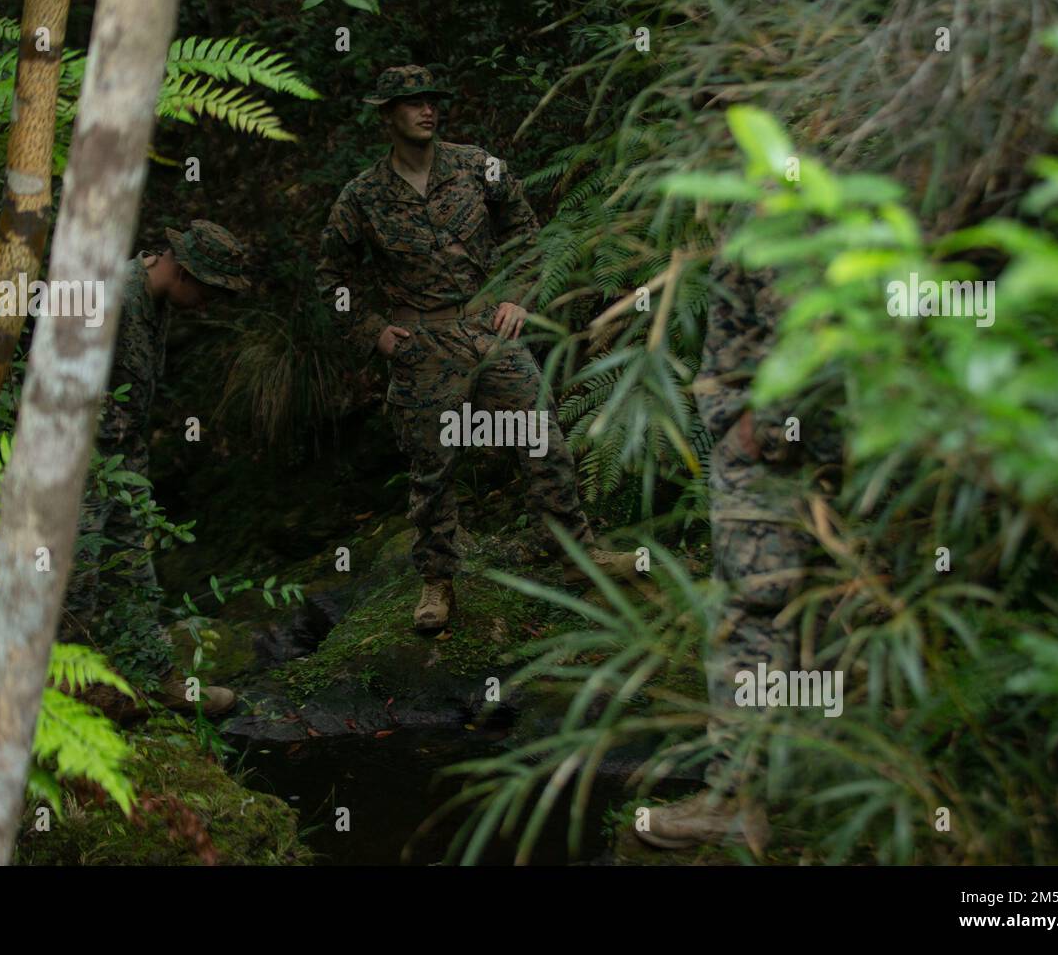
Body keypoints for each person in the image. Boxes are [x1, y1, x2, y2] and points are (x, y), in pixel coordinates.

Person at [315, 65, 638, 633]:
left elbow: (528, 236)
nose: (427, 111)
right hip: (421, 346)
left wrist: (518, 296)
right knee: (432, 469)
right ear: (387, 115)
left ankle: (577, 558)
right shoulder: (362, 197)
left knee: (541, 436)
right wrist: (371, 332)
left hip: (489, 330)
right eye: (412, 103)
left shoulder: (477, 165)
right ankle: (437, 582)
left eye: (432, 101)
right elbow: (331, 276)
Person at [636, 260, 842, 853]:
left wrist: (764, 429)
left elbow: (809, 322)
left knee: (751, 609)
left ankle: (733, 799)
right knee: (814, 597)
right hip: (816, 436)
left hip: (773, 447)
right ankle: (804, 779)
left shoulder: (784, 190)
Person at [68, 220, 250, 715]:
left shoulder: (156, 301)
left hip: (123, 460)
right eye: (209, 292)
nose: (209, 305)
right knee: (76, 575)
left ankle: (152, 675)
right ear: (185, 273)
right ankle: (73, 690)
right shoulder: (113, 297)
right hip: (79, 462)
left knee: (133, 571)